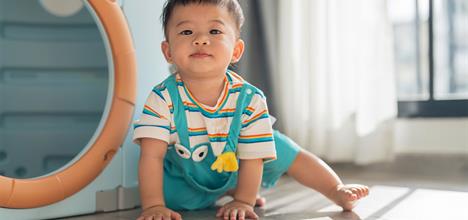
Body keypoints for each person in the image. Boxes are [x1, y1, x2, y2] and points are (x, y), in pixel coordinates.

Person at [133, 0, 369, 219]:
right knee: (169, 195)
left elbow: (254, 156)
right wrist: (154, 205)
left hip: (240, 164)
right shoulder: (162, 98)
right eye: (186, 32)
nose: (201, 39)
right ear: (168, 52)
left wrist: (244, 201)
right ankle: (222, 192)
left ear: (236, 50)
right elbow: (152, 155)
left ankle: (334, 188)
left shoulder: (249, 98)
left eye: (215, 31)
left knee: (280, 147)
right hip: (189, 175)